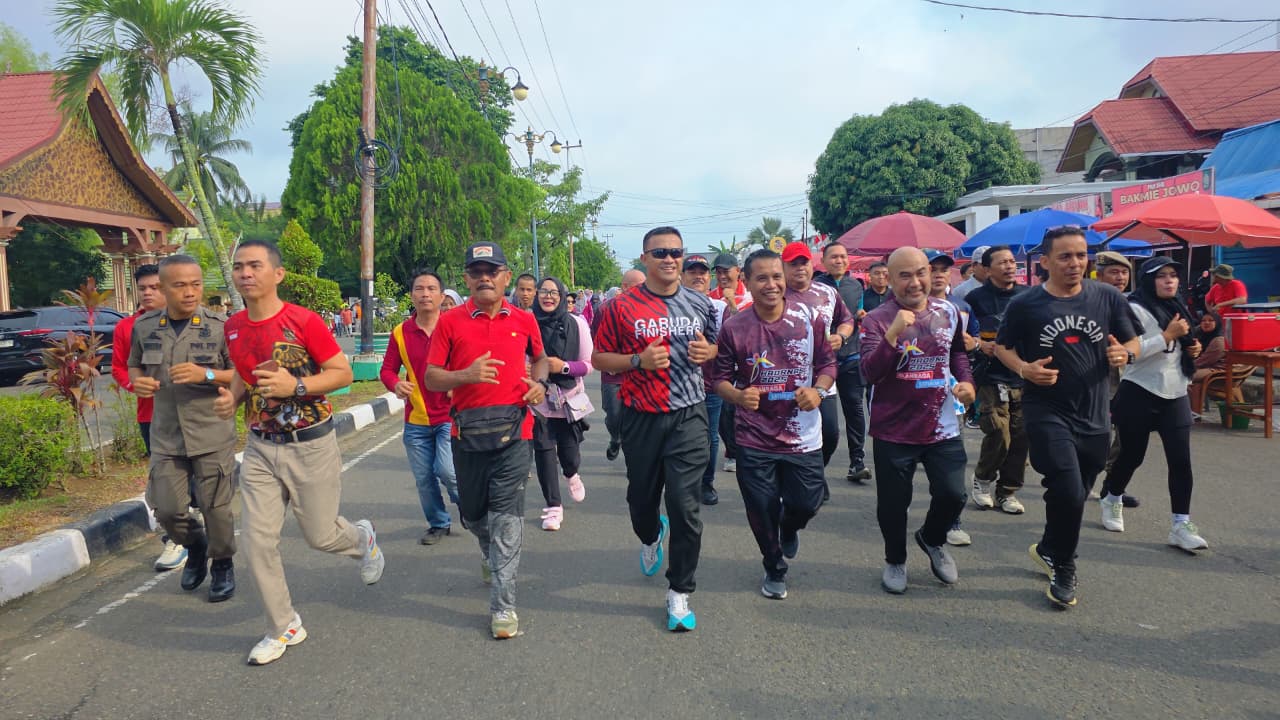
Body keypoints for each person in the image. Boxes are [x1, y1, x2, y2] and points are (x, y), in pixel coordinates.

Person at [214, 239, 385, 666]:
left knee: (320, 536)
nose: (245, 273)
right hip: (260, 448)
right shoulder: (233, 326)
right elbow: (243, 371)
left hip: (311, 445)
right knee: (256, 542)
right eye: (239, 266)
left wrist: (297, 386)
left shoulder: (302, 321)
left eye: (255, 265)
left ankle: (362, 538)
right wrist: (232, 398)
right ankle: (283, 625)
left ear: (278, 274)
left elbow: (341, 373)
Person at [993, 226, 1140, 609]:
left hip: (1094, 412)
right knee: (1070, 490)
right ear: (1044, 262)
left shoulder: (1106, 297)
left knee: (1073, 492)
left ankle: (1048, 546)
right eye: (1065, 256)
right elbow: (1002, 348)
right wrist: (1025, 369)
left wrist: (1125, 354)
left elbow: (1132, 341)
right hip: (1046, 409)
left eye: (1080, 255)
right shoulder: (1026, 304)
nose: (1075, 263)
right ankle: (1065, 565)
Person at [593, 226, 718, 632]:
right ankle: (650, 536)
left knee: (685, 506)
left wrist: (709, 352)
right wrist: (637, 361)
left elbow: (716, 347)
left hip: (689, 414)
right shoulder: (620, 307)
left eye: (675, 252)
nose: (669, 259)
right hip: (641, 415)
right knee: (642, 502)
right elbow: (599, 358)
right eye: (660, 252)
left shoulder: (700, 303)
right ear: (644, 258)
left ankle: (679, 590)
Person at [425, 241, 549, 640]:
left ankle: (503, 607)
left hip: (516, 432)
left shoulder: (524, 319)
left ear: (505, 277)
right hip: (467, 434)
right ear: (466, 279)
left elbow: (540, 359)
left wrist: (541, 384)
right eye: (477, 272)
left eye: (492, 271)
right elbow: (431, 377)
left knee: (507, 520)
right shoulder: (450, 322)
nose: (484, 278)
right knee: (474, 516)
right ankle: (487, 551)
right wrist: (465, 375)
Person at [712, 249, 837, 600]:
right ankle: (774, 566)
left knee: (807, 503)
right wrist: (738, 396)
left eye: (776, 276)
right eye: (762, 278)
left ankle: (790, 526)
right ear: (747, 282)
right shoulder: (734, 327)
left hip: (802, 435)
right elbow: (718, 379)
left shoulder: (809, 318)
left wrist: (818, 391)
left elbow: (828, 364)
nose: (771, 284)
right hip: (753, 435)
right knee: (761, 507)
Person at [860, 248, 974, 595]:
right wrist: (892, 336)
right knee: (894, 504)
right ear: (890, 279)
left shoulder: (948, 311)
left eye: (921, 272)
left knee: (954, 494)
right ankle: (895, 559)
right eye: (905, 275)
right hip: (893, 428)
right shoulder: (877, 319)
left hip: (941, 423)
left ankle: (932, 538)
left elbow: (957, 353)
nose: (915, 282)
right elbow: (869, 372)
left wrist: (966, 382)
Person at [129, 255, 238, 603]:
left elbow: (241, 374)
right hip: (166, 435)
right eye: (180, 285)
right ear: (163, 288)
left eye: (196, 284)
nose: (190, 292)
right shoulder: (144, 327)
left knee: (215, 508)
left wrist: (206, 374)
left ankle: (222, 564)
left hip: (211, 431)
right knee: (167, 509)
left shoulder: (219, 326)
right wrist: (137, 382)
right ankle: (195, 544)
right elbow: (134, 365)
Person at [1098, 257, 1208, 551]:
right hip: (1139, 391)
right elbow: (1129, 355)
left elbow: (1182, 346)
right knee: (1131, 456)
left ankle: (1181, 524)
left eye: (1173, 275)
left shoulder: (1178, 307)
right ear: (1148, 280)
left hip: (1176, 392)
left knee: (1181, 461)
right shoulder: (1132, 309)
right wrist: (1167, 336)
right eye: (1162, 276)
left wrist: (1192, 347)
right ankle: (1112, 497)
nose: (1169, 280)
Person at [112, 264, 189, 571]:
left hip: (194, 415)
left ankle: (198, 528)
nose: (148, 293)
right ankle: (176, 538)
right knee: (163, 480)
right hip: (152, 416)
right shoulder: (126, 328)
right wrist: (135, 384)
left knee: (198, 481)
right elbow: (119, 367)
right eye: (142, 288)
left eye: (155, 287)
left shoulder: (191, 322)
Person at [380, 269, 459, 546]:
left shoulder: (453, 327)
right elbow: (387, 370)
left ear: (442, 295)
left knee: (448, 471)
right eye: (419, 289)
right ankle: (438, 523)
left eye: (431, 289)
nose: (425, 294)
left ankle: (472, 510)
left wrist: (458, 384)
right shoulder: (400, 333)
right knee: (424, 478)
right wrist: (395, 385)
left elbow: (467, 363)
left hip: (450, 416)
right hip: (416, 419)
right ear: (411, 295)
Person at [965, 245, 1030, 516]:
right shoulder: (974, 299)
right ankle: (982, 479)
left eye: (1012, 261)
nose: (1009, 266)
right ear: (987, 269)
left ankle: (1008, 491)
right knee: (999, 432)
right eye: (1002, 262)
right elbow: (964, 334)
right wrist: (980, 344)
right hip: (990, 376)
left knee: (1021, 437)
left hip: (1023, 375)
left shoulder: (1029, 296)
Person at [782, 242, 855, 471]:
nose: (800, 268)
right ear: (783, 267)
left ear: (811, 265)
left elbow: (847, 319)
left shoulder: (827, 293)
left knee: (830, 433)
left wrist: (841, 336)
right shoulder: (776, 295)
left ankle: (814, 472)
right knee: (789, 435)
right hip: (787, 379)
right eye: (793, 264)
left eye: (803, 262)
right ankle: (800, 477)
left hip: (823, 375)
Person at [924, 250, 980, 547]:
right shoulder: (905, 308)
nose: (938, 275)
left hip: (951, 394)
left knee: (952, 461)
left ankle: (952, 520)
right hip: (913, 395)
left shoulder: (962, 306)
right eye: (932, 269)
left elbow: (972, 342)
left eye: (943, 270)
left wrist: (974, 343)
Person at [531, 275, 594, 531]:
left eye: (553, 292)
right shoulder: (528, 323)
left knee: (570, 455)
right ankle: (553, 507)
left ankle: (571, 474)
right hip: (538, 401)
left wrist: (564, 367)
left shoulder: (577, 324)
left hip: (569, 399)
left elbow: (589, 364)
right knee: (544, 453)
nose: (548, 297)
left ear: (561, 296)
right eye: (543, 291)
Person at [814, 242, 870, 484]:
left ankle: (857, 460)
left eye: (843, 256)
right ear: (823, 262)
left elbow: (858, 314)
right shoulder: (816, 286)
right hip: (821, 362)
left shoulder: (856, 285)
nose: (839, 261)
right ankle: (816, 468)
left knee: (855, 408)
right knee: (825, 422)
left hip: (851, 355)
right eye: (834, 257)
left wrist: (859, 317)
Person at [679, 253, 728, 505]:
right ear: (682, 276)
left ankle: (706, 482)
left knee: (709, 435)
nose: (698, 276)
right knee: (680, 438)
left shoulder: (720, 307)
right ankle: (681, 482)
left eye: (703, 272)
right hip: (676, 385)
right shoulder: (669, 306)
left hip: (709, 384)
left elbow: (728, 346)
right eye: (692, 272)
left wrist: (710, 350)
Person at [1094, 251, 1142, 509]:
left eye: (1124, 272)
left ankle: (1112, 486)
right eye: (1114, 272)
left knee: (1124, 437)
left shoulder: (1133, 304)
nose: (1120, 277)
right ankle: (1081, 478)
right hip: (1094, 379)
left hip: (1128, 378)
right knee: (1095, 435)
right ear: (1099, 275)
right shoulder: (1088, 301)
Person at [593, 269, 645, 462]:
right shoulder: (605, 309)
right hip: (613, 374)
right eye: (638, 286)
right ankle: (615, 438)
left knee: (638, 421)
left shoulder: (649, 310)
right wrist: (608, 360)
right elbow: (595, 339)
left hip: (639, 374)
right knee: (614, 415)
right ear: (625, 287)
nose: (643, 290)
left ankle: (635, 461)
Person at [711, 253, 751, 473]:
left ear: (738, 271)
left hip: (747, 363)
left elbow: (744, 327)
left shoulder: (751, 297)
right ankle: (733, 452)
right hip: (721, 364)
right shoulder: (710, 297)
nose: (722, 276)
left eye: (726, 271)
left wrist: (732, 303)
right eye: (718, 272)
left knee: (741, 410)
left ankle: (744, 450)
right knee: (724, 413)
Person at [1188, 312, 1227, 416]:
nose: (1206, 323)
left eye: (1210, 320)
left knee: (1185, 376)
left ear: (1217, 323)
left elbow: (1204, 361)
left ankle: (1193, 413)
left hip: (1217, 370)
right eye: (1203, 320)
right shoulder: (1201, 335)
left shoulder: (1219, 340)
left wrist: (1185, 365)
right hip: (1205, 366)